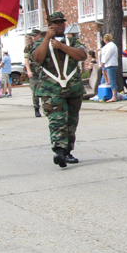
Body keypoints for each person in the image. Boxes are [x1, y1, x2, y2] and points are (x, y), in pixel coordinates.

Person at [31, 12, 87, 167]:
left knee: (71, 122)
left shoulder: (72, 41)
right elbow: (37, 58)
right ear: (50, 26)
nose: (60, 25)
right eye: (55, 23)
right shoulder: (41, 43)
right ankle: (59, 152)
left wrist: (61, 46)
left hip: (73, 88)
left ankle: (68, 151)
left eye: (62, 22)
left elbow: (82, 55)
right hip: (52, 90)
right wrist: (47, 39)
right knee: (57, 120)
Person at [24, 29, 43, 116]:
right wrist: (28, 71)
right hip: (34, 72)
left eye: (35, 35)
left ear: (39, 35)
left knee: (46, 91)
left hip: (44, 71)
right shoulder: (29, 46)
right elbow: (26, 59)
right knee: (35, 92)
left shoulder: (44, 44)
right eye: (32, 36)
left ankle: (47, 108)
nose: (33, 37)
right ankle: (36, 109)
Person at [100, 33, 119, 102]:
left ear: (105, 39)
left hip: (111, 64)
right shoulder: (110, 45)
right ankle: (111, 95)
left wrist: (102, 63)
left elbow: (107, 55)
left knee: (111, 80)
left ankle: (114, 96)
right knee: (108, 80)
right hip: (109, 64)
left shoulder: (111, 46)